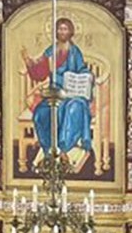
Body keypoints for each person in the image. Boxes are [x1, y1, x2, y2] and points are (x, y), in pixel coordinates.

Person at [27, 17, 93, 166]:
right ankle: (48, 150)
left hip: (73, 94)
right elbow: (39, 72)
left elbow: (82, 69)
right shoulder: (51, 51)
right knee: (41, 113)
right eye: (60, 29)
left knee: (72, 109)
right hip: (55, 93)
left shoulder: (75, 52)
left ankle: (63, 149)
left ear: (70, 32)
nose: (62, 32)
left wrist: (86, 76)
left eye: (65, 29)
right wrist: (30, 63)